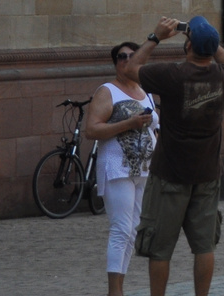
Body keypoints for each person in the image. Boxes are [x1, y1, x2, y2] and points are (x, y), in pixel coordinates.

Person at [127, 15, 224, 296]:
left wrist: (155, 36)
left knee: (160, 248)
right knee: (204, 246)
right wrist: (210, 42)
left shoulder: (171, 75)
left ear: (187, 46)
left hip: (169, 175)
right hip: (207, 175)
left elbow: (131, 68)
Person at [84, 41, 158, 296]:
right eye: (121, 57)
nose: (126, 60)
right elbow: (91, 130)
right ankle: (114, 291)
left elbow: (154, 128)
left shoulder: (144, 90)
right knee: (121, 229)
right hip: (118, 168)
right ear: (115, 63)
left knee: (133, 229)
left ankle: (120, 285)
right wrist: (129, 123)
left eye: (131, 56)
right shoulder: (108, 91)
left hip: (145, 169)